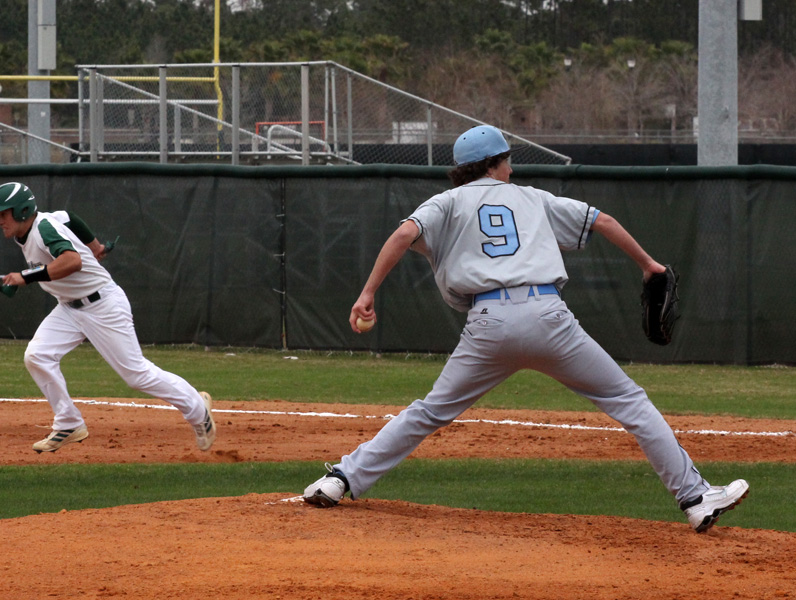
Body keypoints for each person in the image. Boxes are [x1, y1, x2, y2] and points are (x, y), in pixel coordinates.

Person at [303, 125, 749, 533]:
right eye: (507, 160)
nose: (511, 167)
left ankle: (340, 480)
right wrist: (649, 265)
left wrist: (367, 294)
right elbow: (604, 221)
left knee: (429, 412)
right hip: (549, 317)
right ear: (496, 165)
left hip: (488, 322)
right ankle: (694, 499)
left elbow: (404, 235)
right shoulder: (533, 197)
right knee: (629, 401)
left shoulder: (447, 202)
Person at [0, 182, 216, 454]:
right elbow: (70, 217)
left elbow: (73, 261)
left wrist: (26, 276)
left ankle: (198, 411)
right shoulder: (42, 224)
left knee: (136, 375)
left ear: (23, 211)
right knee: (37, 355)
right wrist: (94, 245)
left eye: (3, 213)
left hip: (102, 304)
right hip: (69, 309)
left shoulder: (43, 229)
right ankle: (69, 422)